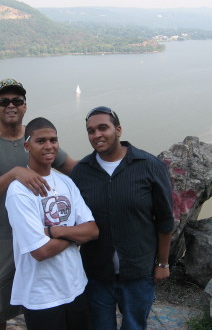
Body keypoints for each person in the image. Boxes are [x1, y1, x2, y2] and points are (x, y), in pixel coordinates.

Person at [0, 78, 77, 330]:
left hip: (43, 235)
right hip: (3, 236)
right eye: (3, 101)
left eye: (17, 100)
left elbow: (75, 169)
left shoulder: (38, 137)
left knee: (44, 301)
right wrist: (15, 172)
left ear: (25, 106)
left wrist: (110, 166)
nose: (11, 105)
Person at [71, 106, 175, 330]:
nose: (97, 135)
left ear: (118, 129)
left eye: (103, 128)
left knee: (135, 326)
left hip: (138, 272)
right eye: (91, 131)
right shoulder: (81, 172)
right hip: (96, 273)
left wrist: (163, 263)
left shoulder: (149, 166)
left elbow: (165, 220)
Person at [5, 117, 99, 330]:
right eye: (41, 141)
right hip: (42, 297)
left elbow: (92, 230)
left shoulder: (67, 182)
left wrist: (55, 231)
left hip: (77, 287)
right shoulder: (18, 191)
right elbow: (40, 251)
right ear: (27, 145)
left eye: (53, 140)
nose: (49, 146)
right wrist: (75, 235)